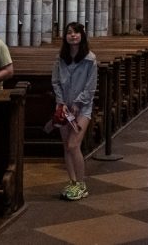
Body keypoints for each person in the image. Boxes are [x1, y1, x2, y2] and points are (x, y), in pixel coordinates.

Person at [51, 22, 98, 201]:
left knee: (73, 145)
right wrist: (61, 102)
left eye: (76, 33)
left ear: (82, 36)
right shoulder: (60, 58)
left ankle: (81, 183)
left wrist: (78, 104)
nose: (73, 35)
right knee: (66, 146)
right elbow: (55, 82)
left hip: (82, 108)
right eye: (69, 32)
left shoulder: (90, 59)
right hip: (63, 107)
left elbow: (90, 87)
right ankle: (72, 182)